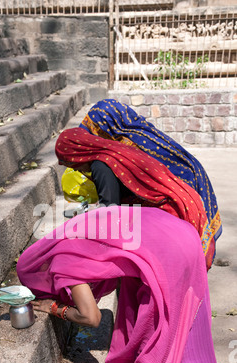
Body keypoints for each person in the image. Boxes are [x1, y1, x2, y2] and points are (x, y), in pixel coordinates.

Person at [16, 205, 226, 363]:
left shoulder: (62, 264)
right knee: (149, 319)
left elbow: (91, 317)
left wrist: (54, 308)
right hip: (174, 232)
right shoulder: (67, 235)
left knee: (159, 339)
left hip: (169, 255)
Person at [79, 98, 222, 260]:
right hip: (191, 203)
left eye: (94, 131)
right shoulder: (144, 135)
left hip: (175, 209)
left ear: (104, 130)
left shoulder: (113, 157)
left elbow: (111, 210)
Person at [55, 127, 215, 270]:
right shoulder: (111, 150)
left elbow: (110, 213)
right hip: (181, 198)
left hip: (169, 210)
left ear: (78, 156)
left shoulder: (100, 166)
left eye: (72, 165)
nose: (77, 169)